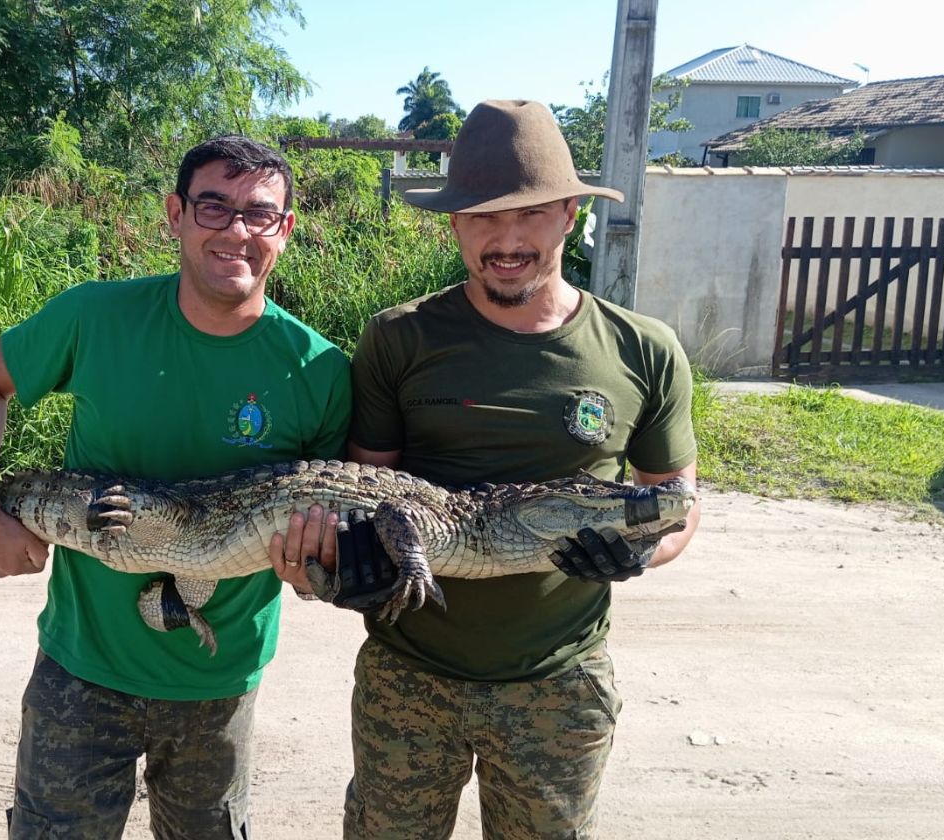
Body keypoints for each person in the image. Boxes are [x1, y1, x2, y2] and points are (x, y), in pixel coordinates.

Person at [275, 99, 703, 839]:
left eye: (531, 214)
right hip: (409, 673)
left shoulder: (645, 347)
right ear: (454, 223)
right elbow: (363, 489)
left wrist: (644, 549)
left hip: (560, 682)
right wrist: (340, 565)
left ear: (571, 213)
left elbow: (679, 500)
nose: (506, 240)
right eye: (482, 216)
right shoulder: (398, 337)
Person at [0, 135, 352, 839]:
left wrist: (315, 566)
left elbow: (325, 537)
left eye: (259, 214)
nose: (235, 231)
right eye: (214, 207)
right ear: (175, 214)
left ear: (284, 231)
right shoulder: (95, 316)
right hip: (82, 666)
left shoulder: (320, 369)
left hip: (218, 682)